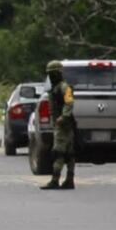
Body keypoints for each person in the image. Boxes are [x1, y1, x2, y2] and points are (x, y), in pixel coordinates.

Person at [41, 60, 75, 190]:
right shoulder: (56, 88)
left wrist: (63, 117)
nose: (51, 76)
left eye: (53, 73)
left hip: (63, 124)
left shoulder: (64, 87)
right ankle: (69, 180)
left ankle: (56, 180)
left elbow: (69, 102)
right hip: (63, 123)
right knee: (69, 153)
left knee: (59, 152)